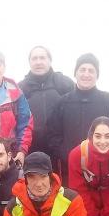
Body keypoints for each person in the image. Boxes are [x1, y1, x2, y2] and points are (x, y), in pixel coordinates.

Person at [52, 53, 109, 181]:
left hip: (104, 172)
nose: (86, 74)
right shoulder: (63, 102)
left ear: (97, 75)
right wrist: (68, 155)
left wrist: (106, 156)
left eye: (91, 71)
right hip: (70, 169)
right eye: (82, 70)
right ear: (75, 73)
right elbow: (53, 135)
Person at [18, 45, 74, 174]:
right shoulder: (21, 87)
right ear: (29, 62)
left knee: (60, 187)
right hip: (31, 148)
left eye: (42, 58)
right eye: (34, 58)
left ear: (50, 60)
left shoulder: (64, 83)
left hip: (58, 148)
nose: (38, 62)